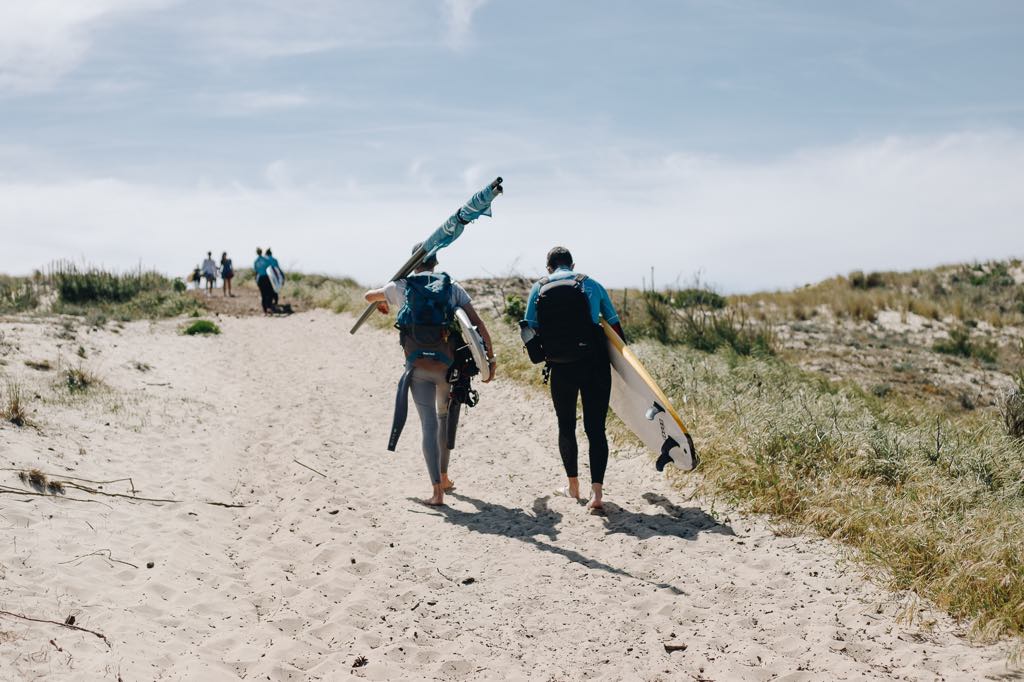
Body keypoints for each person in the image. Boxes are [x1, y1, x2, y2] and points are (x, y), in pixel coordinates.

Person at [364, 244, 496, 506]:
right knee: (443, 419)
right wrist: (489, 360)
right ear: (435, 263)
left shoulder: (400, 286)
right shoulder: (451, 286)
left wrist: (382, 300)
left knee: (428, 424)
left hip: (417, 367)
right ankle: (445, 477)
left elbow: (367, 296)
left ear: (413, 263)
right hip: (446, 366)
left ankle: (437, 491)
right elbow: (476, 324)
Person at [523, 246, 625, 511]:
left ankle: (573, 487)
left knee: (566, 425)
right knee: (596, 429)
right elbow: (614, 325)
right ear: (572, 264)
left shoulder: (539, 287)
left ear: (549, 267)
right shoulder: (591, 284)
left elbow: (529, 329)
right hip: (595, 365)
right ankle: (597, 494)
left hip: (561, 368)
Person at [253, 247, 273, 314]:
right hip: (267, 278)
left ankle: (265, 310)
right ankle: (269, 307)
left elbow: (256, 272)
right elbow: (270, 269)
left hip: (260, 279)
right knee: (269, 293)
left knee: (263, 295)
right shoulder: (266, 260)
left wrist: (256, 281)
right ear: (261, 252)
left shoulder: (256, 261)